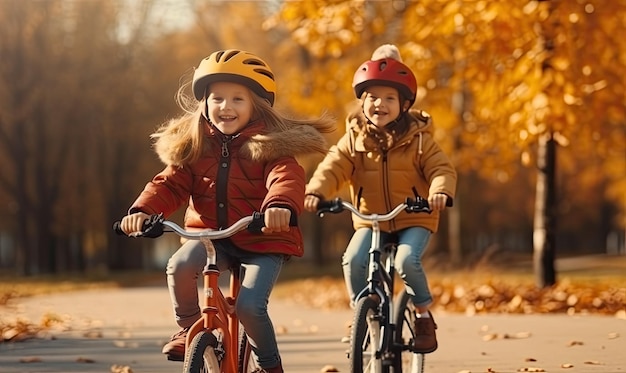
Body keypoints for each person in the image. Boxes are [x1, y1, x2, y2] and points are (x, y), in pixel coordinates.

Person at [119, 49, 333, 372]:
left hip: (264, 239)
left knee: (250, 307)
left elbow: (286, 179)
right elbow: (168, 184)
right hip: (211, 238)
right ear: (204, 103)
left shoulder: (272, 146)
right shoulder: (195, 147)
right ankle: (190, 326)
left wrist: (278, 206)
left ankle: (269, 364)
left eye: (237, 99)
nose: (225, 107)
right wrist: (142, 211)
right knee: (178, 265)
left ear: (256, 106)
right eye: (217, 98)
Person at [303, 44, 457, 353]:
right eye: (373, 97)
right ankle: (363, 314)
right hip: (371, 220)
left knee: (405, 260)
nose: (380, 104)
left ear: (404, 104)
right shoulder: (354, 139)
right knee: (353, 260)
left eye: (390, 98)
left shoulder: (420, 140)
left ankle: (424, 314)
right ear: (362, 102)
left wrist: (439, 191)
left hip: (414, 217)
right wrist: (316, 191)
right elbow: (333, 166)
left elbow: (442, 168)